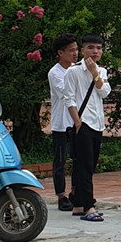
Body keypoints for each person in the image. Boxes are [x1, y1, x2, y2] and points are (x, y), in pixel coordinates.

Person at [63, 34, 111, 221]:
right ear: (82, 50)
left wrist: (94, 73)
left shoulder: (102, 71)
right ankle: (89, 206)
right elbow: (69, 98)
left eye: (98, 48)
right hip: (83, 123)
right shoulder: (73, 71)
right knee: (83, 166)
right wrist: (77, 122)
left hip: (97, 123)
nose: (95, 51)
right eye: (91, 47)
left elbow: (104, 92)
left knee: (89, 166)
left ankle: (78, 204)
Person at [48, 34, 78, 212]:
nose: (75, 53)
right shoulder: (55, 73)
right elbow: (66, 93)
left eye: (76, 49)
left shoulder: (77, 69)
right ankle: (61, 196)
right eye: (71, 50)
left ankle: (75, 192)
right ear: (60, 53)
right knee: (60, 160)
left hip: (77, 122)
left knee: (78, 159)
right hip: (61, 124)